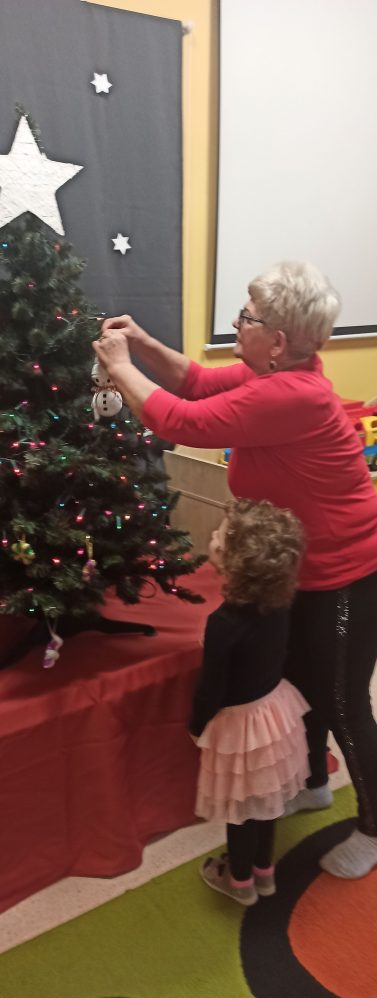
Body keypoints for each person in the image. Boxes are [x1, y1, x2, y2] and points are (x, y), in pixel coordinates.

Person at [93, 261, 377, 879]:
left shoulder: (292, 395)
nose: (236, 322)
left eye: (247, 316)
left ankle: (375, 826)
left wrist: (118, 365)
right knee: (297, 682)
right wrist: (141, 343)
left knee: (342, 700)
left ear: (278, 340)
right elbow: (194, 382)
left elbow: (179, 421)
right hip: (294, 567)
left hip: (344, 571)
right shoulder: (271, 374)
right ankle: (312, 782)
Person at [189, 498, 307, 906]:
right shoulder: (280, 602)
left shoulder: (222, 623)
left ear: (236, 563)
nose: (212, 536)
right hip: (275, 711)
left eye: (219, 536)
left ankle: (239, 882)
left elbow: (212, 688)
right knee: (266, 800)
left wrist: (196, 725)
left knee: (241, 809)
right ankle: (264, 872)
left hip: (240, 726)